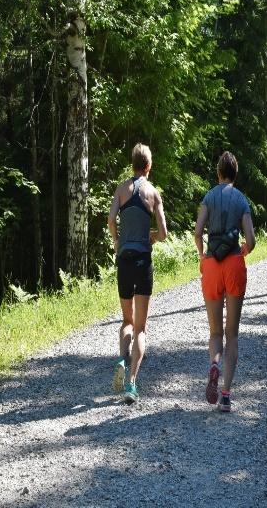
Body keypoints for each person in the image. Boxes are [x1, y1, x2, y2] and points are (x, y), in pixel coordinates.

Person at [194, 151, 256, 412]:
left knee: (215, 332)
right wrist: (244, 249)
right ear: (235, 172)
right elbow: (251, 240)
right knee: (232, 334)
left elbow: (198, 232)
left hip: (211, 266)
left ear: (219, 172)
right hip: (233, 265)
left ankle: (214, 363)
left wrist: (202, 254)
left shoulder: (209, 196)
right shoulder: (241, 200)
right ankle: (226, 396)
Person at [108, 143, 167, 404]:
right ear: (149, 166)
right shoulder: (153, 194)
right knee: (141, 328)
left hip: (124, 261)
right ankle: (131, 383)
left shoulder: (121, 189)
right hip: (143, 261)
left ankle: (122, 358)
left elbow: (111, 220)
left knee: (126, 321)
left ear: (132, 164)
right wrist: (150, 237)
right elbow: (163, 234)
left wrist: (117, 241)